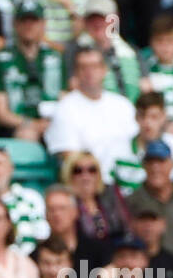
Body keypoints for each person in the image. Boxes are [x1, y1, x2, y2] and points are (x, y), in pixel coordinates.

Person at [46, 48, 139, 182]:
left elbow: (138, 145)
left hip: (131, 180)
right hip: (93, 184)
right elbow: (71, 159)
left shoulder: (123, 104)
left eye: (94, 66)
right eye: (83, 67)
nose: (89, 72)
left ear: (104, 70)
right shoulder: (65, 108)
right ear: (76, 73)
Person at [0, 0, 64, 141]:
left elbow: (64, 98)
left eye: (34, 20)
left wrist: (51, 123)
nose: (29, 26)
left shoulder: (55, 57)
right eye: (24, 21)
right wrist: (32, 124)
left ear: (43, 24)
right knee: (27, 135)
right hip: (19, 125)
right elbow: (1, 113)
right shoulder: (2, 58)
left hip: (52, 122)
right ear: (15, 24)